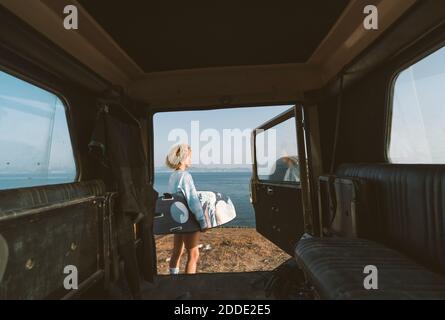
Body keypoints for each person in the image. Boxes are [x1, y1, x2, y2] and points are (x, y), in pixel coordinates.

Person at [165, 144, 208, 274]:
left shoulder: (173, 176)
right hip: (187, 220)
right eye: (190, 156)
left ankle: (174, 282)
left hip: (177, 218)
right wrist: (202, 221)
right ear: (183, 158)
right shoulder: (185, 176)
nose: (191, 159)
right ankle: (187, 286)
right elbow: (193, 201)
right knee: (193, 254)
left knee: (177, 251)